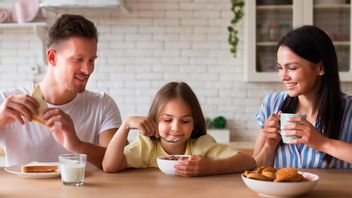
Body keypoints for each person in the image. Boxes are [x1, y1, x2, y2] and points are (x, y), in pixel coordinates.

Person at [0, 14, 121, 168]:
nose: (88, 69)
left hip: (84, 192)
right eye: (78, 59)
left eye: (91, 60)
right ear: (52, 58)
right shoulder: (6, 101)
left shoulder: (103, 105)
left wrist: (77, 145)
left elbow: (117, 163)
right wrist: (1, 118)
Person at [102, 82, 256, 176]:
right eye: (168, 120)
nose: (175, 128)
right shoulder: (146, 146)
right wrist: (125, 126)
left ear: (194, 123)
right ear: (154, 120)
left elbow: (248, 161)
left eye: (185, 121)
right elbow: (109, 166)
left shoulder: (200, 145)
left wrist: (210, 167)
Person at [253, 25, 352, 168]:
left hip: (334, 191)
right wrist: (269, 145)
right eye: (280, 68)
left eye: (292, 68)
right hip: (283, 191)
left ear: (320, 68)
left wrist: (322, 143)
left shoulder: (349, 110)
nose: (283, 77)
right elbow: (257, 169)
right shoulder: (272, 104)